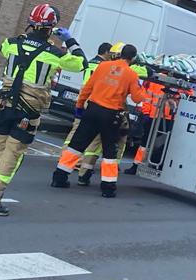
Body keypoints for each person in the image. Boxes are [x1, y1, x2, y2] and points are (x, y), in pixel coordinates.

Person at [0, 4, 86, 216]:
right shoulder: (54, 54)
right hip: (27, 111)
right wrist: (69, 40)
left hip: (3, 106)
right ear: (51, 28)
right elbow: (81, 63)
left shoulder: (11, 43)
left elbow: (3, 48)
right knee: (13, 153)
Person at [51, 43, 146, 197]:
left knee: (76, 145)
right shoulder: (131, 74)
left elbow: (88, 88)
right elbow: (137, 98)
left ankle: (59, 177)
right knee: (109, 152)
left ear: (120, 53)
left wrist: (80, 106)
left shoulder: (103, 66)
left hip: (92, 109)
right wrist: (141, 90)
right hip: (111, 115)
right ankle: (108, 188)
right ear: (133, 58)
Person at [62, 41, 112, 187]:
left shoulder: (90, 62)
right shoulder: (105, 66)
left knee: (76, 129)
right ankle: (80, 164)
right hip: (95, 98)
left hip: (83, 95)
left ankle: (65, 157)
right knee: (93, 135)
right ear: (106, 52)